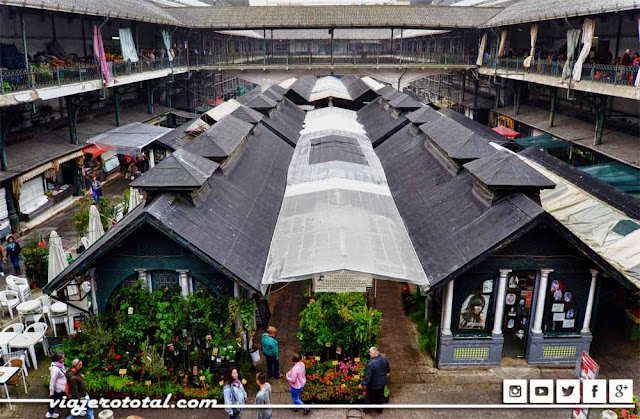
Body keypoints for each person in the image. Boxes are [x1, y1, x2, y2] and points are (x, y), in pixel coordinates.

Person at [358, 347, 390, 414]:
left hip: (373, 385)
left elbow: (368, 378)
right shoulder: (384, 359)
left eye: (370, 352)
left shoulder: (371, 364)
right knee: (380, 396)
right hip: (382, 383)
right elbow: (387, 370)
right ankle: (379, 410)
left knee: (369, 397)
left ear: (374, 354)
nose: (369, 353)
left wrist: (362, 384)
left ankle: (366, 409)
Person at [47, 351, 67, 419]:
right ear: (58, 359)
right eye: (62, 358)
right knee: (72, 395)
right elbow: (52, 381)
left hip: (63, 386)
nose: (64, 359)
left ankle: (49, 412)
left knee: (56, 400)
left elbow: (62, 372)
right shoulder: (55, 369)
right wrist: (51, 392)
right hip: (60, 388)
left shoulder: (59, 364)